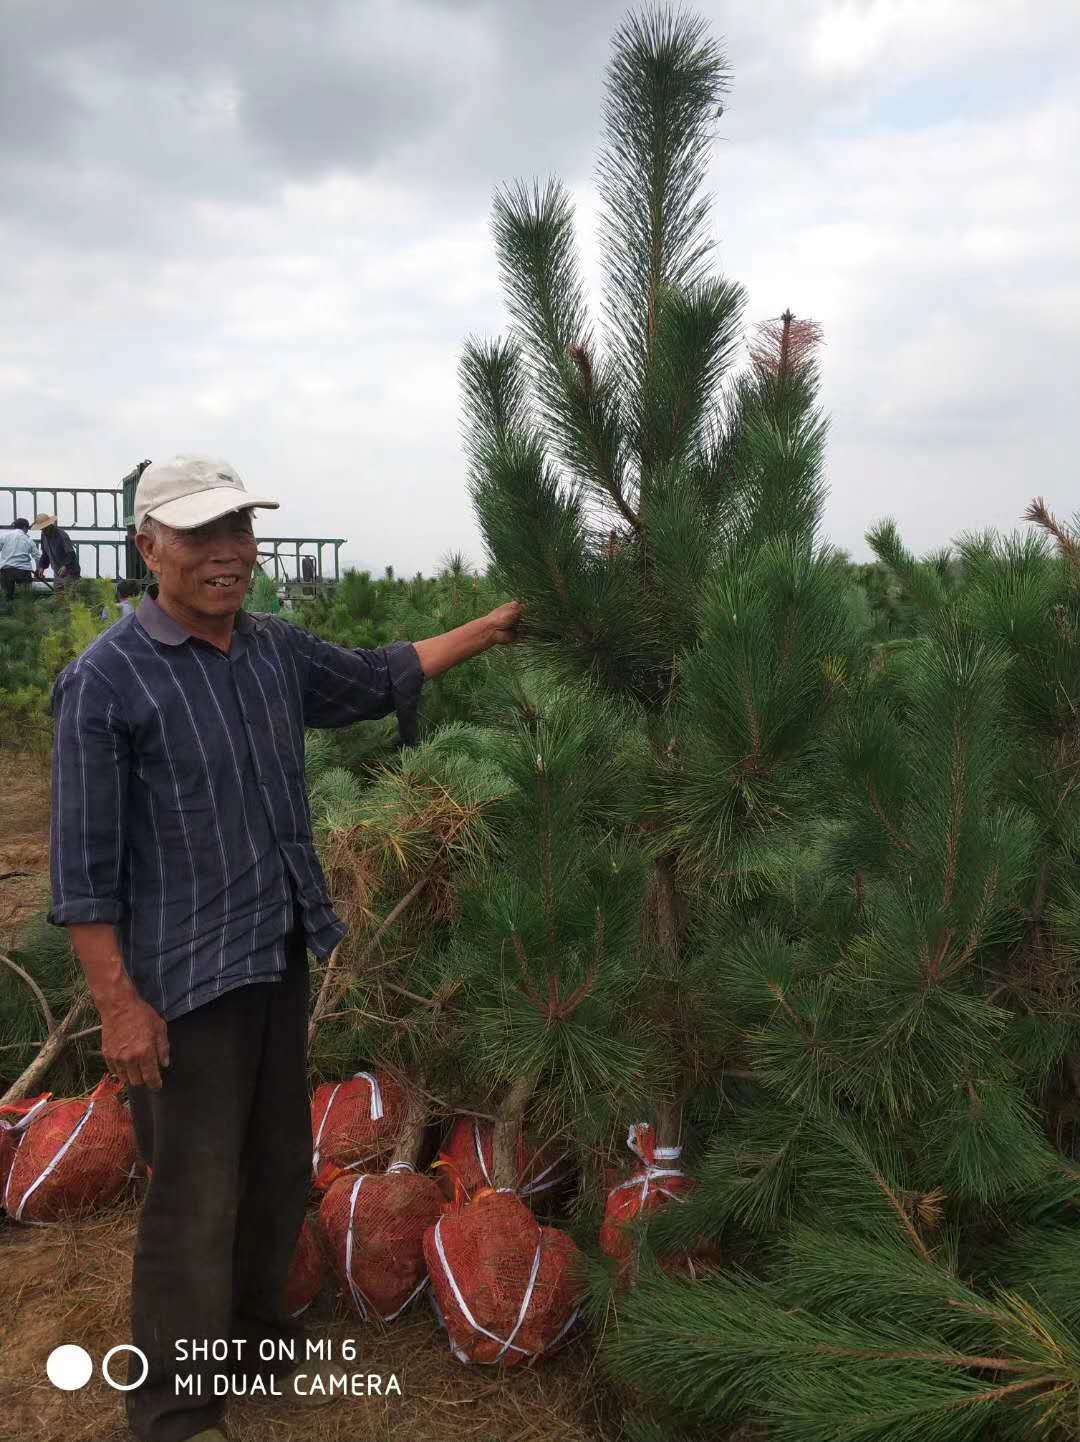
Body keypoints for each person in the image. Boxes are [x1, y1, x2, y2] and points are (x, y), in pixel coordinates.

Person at [48, 454, 522, 1442]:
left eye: (239, 533)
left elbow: (378, 671)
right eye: (200, 535)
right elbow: (83, 872)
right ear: (150, 547)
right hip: (179, 983)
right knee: (192, 1195)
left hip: (273, 955)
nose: (228, 554)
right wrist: (119, 1005)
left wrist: (498, 623)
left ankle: (257, 1339)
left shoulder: (269, 650)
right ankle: (173, 1408)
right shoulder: (106, 681)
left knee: (271, 1169)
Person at [32, 512, 81, 588]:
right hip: (58, 572)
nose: (43, 531)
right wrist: (41, 567)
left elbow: (71, 553)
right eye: (42, 529)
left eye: (45, 528)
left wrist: (65, 566)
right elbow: (45, 554)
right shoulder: (44, 536)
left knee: (68, 594)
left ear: (49, 525)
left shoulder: (61, 535)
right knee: (59, 595)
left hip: (70, 572)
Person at [0, 517, 40, 601]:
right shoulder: (28, 540)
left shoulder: (4, 536)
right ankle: (23, 612)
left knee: (6, 597)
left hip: (6, 570)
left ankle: (7, 612)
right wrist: (37, 570)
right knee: (25, 598)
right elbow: (37, 556)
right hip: (23, 571)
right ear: (25, 527)